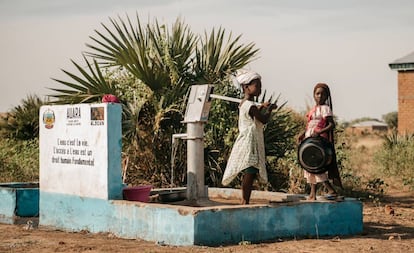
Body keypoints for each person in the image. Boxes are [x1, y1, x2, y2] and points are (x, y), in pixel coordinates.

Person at [222, 70, 277, 204]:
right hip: (250, 142)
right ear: (246, 87)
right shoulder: (250, 106)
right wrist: (269, 110)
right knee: (250, 171)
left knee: (250, 170)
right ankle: (244, 200)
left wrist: (262, 106)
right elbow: (263, 119)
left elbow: (253, 113)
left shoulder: (245, 103)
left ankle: (245, 199)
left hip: (248, 140)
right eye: (257, 86)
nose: (259, 89)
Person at [298, 83, 343, 201]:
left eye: (323, 94)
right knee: (310, 166)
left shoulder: (325, 109)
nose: (320, 96)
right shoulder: (313, 110)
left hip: (319, 140)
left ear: (327, 96)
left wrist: (319, 132)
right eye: (317, 93)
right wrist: (303, 134)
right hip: (309, 138)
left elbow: (331, 125)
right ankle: (312, 194)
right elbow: (309, 125)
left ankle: (331, 190)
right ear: (314, 95)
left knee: (317, 166)